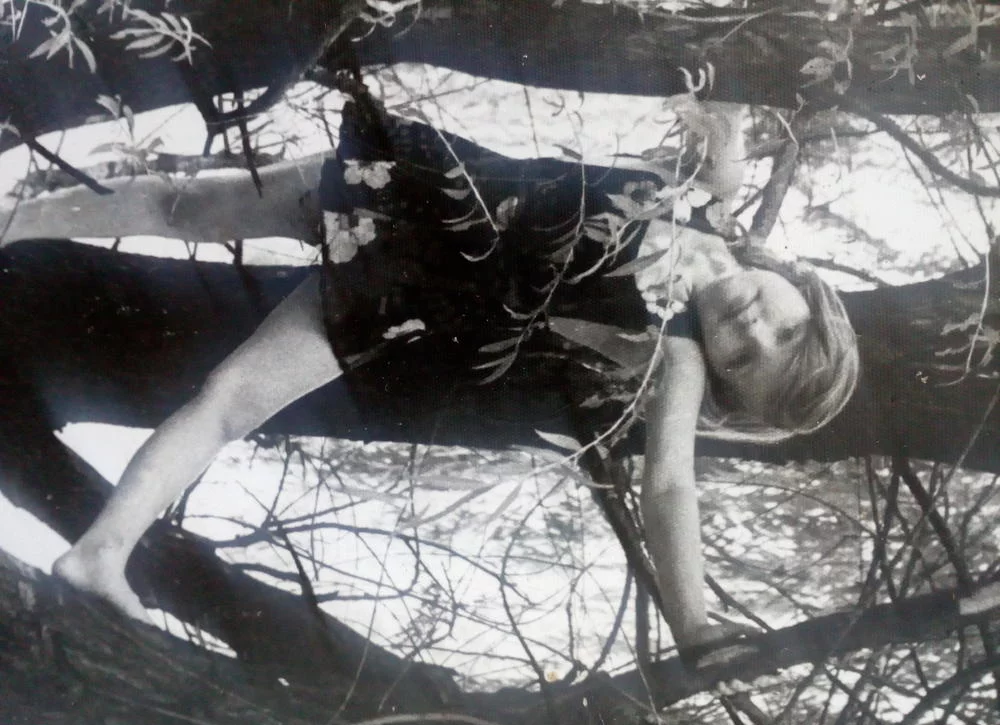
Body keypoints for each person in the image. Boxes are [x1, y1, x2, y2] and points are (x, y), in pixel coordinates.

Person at [53, 93, 860, 657]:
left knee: (230, 403)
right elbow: (724, 92)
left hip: (406, 285)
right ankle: (14, 219)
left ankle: (100, 552)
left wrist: (696, 629)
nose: (753, 329)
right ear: (810, 290)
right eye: (787, 328)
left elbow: (671, 486)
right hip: (414, 187)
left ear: (718, 377)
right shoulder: (713, 195)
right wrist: (732, 100)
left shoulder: (676, 348)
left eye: (744, 360)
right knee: (186, 207)